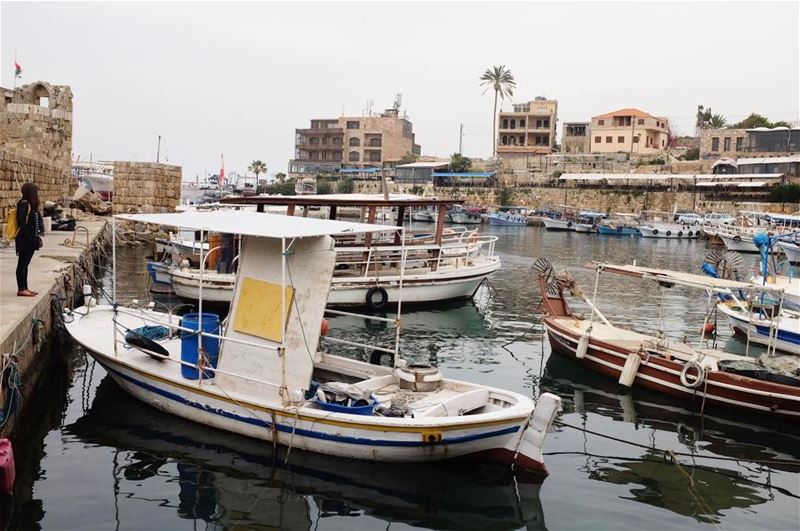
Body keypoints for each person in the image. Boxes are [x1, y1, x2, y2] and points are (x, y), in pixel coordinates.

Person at [15, 182, 44, 297]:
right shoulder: (24, 204)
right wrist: (30, 237)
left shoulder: (31, 205)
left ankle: (25, 287)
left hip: (30, 239)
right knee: (22, 264)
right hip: (25, 239)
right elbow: (22, 223)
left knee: (25, 264)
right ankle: (21, 288)